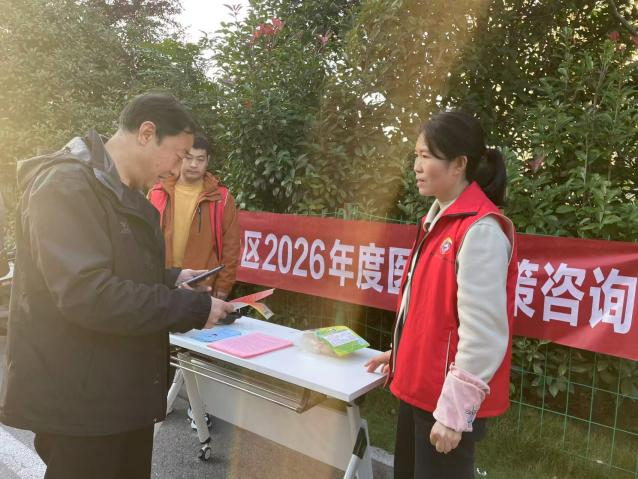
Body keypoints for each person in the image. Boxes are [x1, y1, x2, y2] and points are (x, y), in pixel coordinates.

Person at [0, 93, 235, 479]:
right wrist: (190, 308)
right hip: (81, 402)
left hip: (120, 392)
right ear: (147, 133)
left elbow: (118, 270)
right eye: (178, 155)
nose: (177, 170)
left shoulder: (117, 189)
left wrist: (173, 279)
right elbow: (88, 294)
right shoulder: (66, 186)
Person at [365, 111, 517, 479]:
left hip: (445, 403)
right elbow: (430, 314)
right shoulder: (440, 220)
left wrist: (455, 412)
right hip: (420, 390)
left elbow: (484, 334)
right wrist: (403, 354)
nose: (417, 167)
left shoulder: (480, 230)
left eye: (426, 156)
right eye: (416, 155)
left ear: (459, 164)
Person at [148, 134, 240, 300]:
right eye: (188, 158)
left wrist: (224, 284)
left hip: (201, 285)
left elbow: (231, 246)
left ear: (208, 160)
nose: (193, 165)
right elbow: (143, 240)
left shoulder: (221, 198)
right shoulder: (157, 193)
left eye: (200, 159)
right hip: (162, 283)